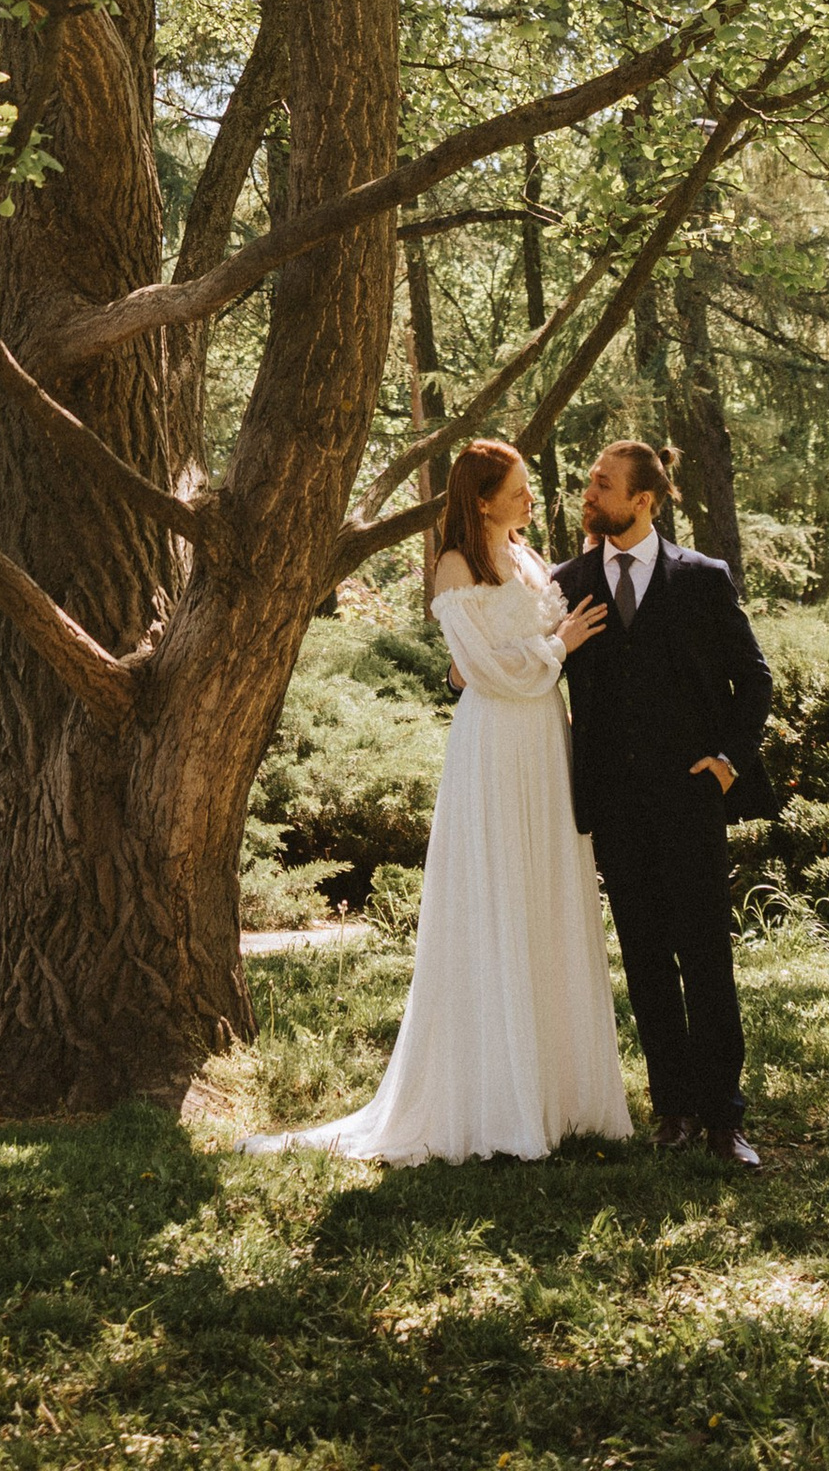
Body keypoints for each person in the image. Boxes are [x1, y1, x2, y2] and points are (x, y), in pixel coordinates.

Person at [246, 438, 630, 1164]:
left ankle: (560, 1093)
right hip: (497, 742)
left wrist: (559, 636)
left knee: (545, 891)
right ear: (482, 501)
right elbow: (482, 670)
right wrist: (559, 648)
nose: (530, 497)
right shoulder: (455, 565)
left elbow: (513, 648)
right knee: (501, 894)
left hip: (545, 738)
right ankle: (497, 1098)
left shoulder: (525, 555)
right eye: (517, 489)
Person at [555, 435, 775, 1167]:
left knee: (706, 957)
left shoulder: (702, 578)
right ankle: (672, 1109)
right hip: (615, 807)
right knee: (647, 960)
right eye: (591, 480)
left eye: (602, 483)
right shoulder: (567, 582)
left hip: (690, 799)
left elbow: (755, 677)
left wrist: (728, 763)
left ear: (642, 500)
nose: (589, 493)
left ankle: (724, 1119)